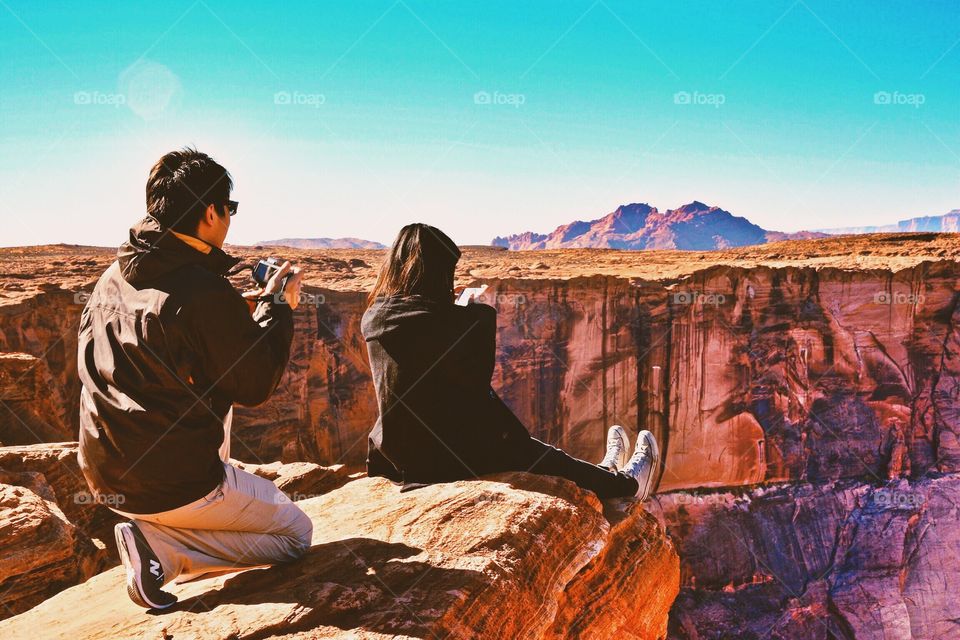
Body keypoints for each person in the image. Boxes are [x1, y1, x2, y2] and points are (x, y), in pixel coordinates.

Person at [77, 148, 311, 610]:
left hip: (103, 472)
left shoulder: (113, 276)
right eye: (230, 209)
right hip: (172, 481)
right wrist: (278, 308)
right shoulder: (201, 291)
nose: (230, 219)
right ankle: (165, 552)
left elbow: (164, 334)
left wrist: (229, 318)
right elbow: (254, 385)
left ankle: (159, 531)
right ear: (210, 212)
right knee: (296, 535)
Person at [362, 223, 660, 500]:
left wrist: (451, 316)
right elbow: (475, 379)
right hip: (443, 458)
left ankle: (605, 472)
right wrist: (468, 314)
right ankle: (629, 486)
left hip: (396, 453)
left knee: (530, 449)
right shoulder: (442, 323)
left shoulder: (374, 316)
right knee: (533, 453)